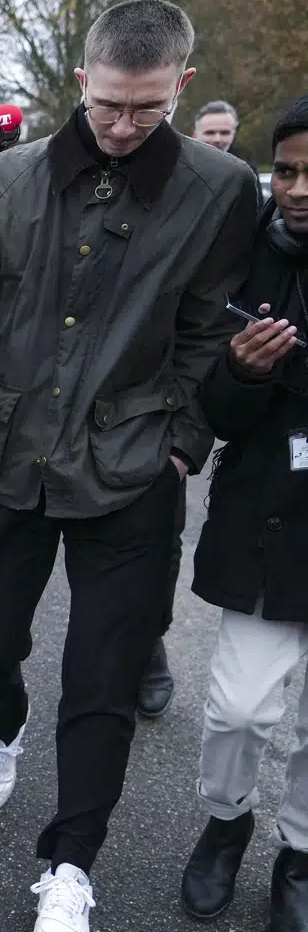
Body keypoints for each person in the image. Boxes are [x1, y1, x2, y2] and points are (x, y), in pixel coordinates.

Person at [0, 0, 259, 932]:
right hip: (4, 453)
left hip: (132, 466)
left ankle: (71, 865)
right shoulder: (5, 179)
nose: (125, 128)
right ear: (82, 80)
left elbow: (210, 331)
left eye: (148, 110)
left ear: (182, 85)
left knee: (106, 675)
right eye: (109, 106)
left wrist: (182, 444)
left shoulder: (221, 189)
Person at [179, 94, 308, 930]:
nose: (298, 189)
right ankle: (226, 823)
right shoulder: (249, 257)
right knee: (239, 708)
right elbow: (216, 411)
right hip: (267, 517)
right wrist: (245, 373)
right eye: (289, 170)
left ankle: (300, 855)